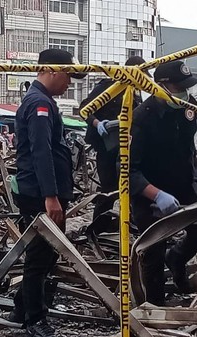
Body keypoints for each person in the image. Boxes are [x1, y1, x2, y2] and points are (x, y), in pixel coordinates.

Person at [9, 48, 86, 337]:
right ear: (52, 71)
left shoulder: (43, 101)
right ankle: (35, 321)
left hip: (40, 191)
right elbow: (42, 152)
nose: (69, 83)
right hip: (39, 193)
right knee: (40, 257)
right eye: (67, 76)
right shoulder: (39, 103)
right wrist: (51, 197)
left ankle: (22, 308)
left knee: (43, 254)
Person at [130, 60, 197, 306]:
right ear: (162, 86)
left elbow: (188, 144)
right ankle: (155, 309)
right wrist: (156, 195)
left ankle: (176, 258)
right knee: (153, 251)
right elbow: (127, 171)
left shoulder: (189, 107)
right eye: (180, 87)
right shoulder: (142, 117)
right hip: (150, 189)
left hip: (183, 182)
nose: (185, 92)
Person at [80, 56, 146, 219]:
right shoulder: (109, 86)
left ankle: (127, 222)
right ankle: (98, 226)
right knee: (109, 188)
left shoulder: (134, 92)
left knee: (129, 185)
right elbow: (85, 108)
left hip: (126, 146)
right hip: (105, 144)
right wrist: (97, 123)